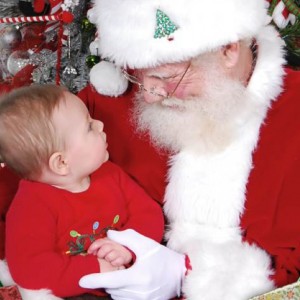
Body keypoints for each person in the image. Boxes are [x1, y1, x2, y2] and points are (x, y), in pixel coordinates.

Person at [75, 0, 300, 299]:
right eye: (135, 75)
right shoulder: (106, 105)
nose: (150, 97)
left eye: (167, 78)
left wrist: (183, 272)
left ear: (229, 49)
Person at [0, 85, 164, 299]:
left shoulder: (109, 173)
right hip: (78, 290)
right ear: (62, 162)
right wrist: (94, 267)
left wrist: (126, 247)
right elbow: (30, 270)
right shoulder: (31, 208)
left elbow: (148, 213)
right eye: (89, 127)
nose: (100, 124)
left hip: (130, 276)